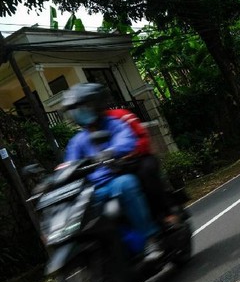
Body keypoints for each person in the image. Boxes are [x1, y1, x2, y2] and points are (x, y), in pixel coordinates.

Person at [62, 83, 163, 261]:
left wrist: (111, 151)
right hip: (94, 190)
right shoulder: (77, 140)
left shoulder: (114, 124)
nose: (81, 112)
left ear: (97, 104)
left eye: (84, 107)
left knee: (127, 184)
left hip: (115, 179)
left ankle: (150, 238)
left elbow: (127, 140)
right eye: (76, 109)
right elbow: (70, 162)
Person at [104, 106, 177, 226]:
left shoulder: (121, 115)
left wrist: (131, 153)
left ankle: (166, 212)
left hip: (139, 159)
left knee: (146, 173)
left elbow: (142, 137)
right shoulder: (86, 135)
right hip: (115, 168)